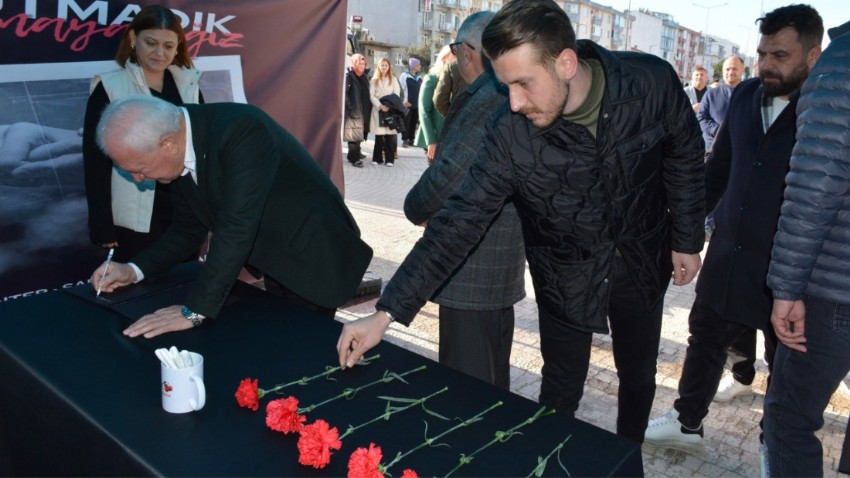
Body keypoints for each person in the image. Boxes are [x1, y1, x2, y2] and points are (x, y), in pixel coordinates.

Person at [337, 0, 705, 444]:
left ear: (566, 62)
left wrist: (686, 237)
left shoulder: (650, 81)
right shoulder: (509, 132)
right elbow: (459, 220)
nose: (513, 102)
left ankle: (629, 459)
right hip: (564, 271)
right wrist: (386, 313)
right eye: (505, 85)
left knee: (638, 376)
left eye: (523, 83)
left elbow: (684, 152)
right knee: (560, 390)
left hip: (641, 261)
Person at [644, 4, 823, 456]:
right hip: (729, 254)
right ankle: (686, 422)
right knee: (704, 338)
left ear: (814, 57)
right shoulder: (743, 97)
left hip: (791, 269)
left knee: (783, 362)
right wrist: (686, 232)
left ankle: (773, 444)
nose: (766, 65)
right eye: (762, 54)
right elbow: (717, 170)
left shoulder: (827, 112)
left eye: (780, 56)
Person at [90, 96, 373, 337]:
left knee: (301, 350)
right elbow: (188, 230)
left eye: (139, 169)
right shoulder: (177, 142)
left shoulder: (242, 130)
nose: (139, 179)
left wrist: (195, 311)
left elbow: (236, 227)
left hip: (314, 254)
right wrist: (133, 269)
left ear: (168, 145)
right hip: (274, 253)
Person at [404, 11, 525, 390]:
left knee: (470, 387)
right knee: (487, 377)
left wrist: (413, 207)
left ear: (468, 51)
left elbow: (450, 172)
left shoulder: (488, 97)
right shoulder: (497, 91)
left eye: (456, 50)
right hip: (486, 265)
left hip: (474, 268)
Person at [763, 19, 850, 476]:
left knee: (789, 420)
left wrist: (786, 288)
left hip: (836, 287)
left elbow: (815, 187)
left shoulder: (841, 63)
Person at [83, 5, 203, 263]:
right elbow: (95, 160)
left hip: (185, 213)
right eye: (151, 42)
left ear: (178, 46)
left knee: (184, 285)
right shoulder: (110, 87)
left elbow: (203, 148)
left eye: (169, 46)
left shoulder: (189, 85)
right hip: (135, 214)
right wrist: (101, 223)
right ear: (132, 38)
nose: (160, 53)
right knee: (138, 289)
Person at [414, 45, 453, 162]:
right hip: (435, 138)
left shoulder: (456, 80)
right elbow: (424, 112)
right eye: (454, 56)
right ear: (444, 58)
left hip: (450, 138)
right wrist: (431, 140)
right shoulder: (431, 79)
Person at [697, 55, 744, 153]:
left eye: (735, 69)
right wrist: (719, 131)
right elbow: (701, 118)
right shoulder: (711, 94)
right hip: (713, 150)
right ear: (723, 71)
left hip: (740, 151)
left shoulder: (751, 94)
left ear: (742, 70)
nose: (731, 72)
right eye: (727, 69)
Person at [369, 57, 401, 166]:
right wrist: (379, 105)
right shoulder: (374, 80)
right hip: (378, 110)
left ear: (389, 67)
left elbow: (396, 94)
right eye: (382, 65)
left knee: (389, 136)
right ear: (378, 66)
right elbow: (371, 95)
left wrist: (388, 105)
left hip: (389, 110)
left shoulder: (394, 79)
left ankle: (389, 160)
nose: (384, 67)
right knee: (379, 136)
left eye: (386, 65)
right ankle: (377, 158)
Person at [343, 53, 372, 168]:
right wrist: (351, 108)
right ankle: (353, 158)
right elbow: (345, 94)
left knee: (359, 133)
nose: (362, 65)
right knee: (353, 135)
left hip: (364, 109)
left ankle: (357, 152)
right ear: (354, 63)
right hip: (354, 110)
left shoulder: (364, 76)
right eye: (359, 63)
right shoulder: (349, 76)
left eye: (363, 63)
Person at [398, 57, 422, 148]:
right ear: (414, 66)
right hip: (407, 104)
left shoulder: (419, 77)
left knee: (414, 122)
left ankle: (411, 140)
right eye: (418, 65)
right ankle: (405, 140)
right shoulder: (404, 76)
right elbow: (400, 90)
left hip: (416, 104)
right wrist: (404, 101)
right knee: (406, 122)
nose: (420, 66)